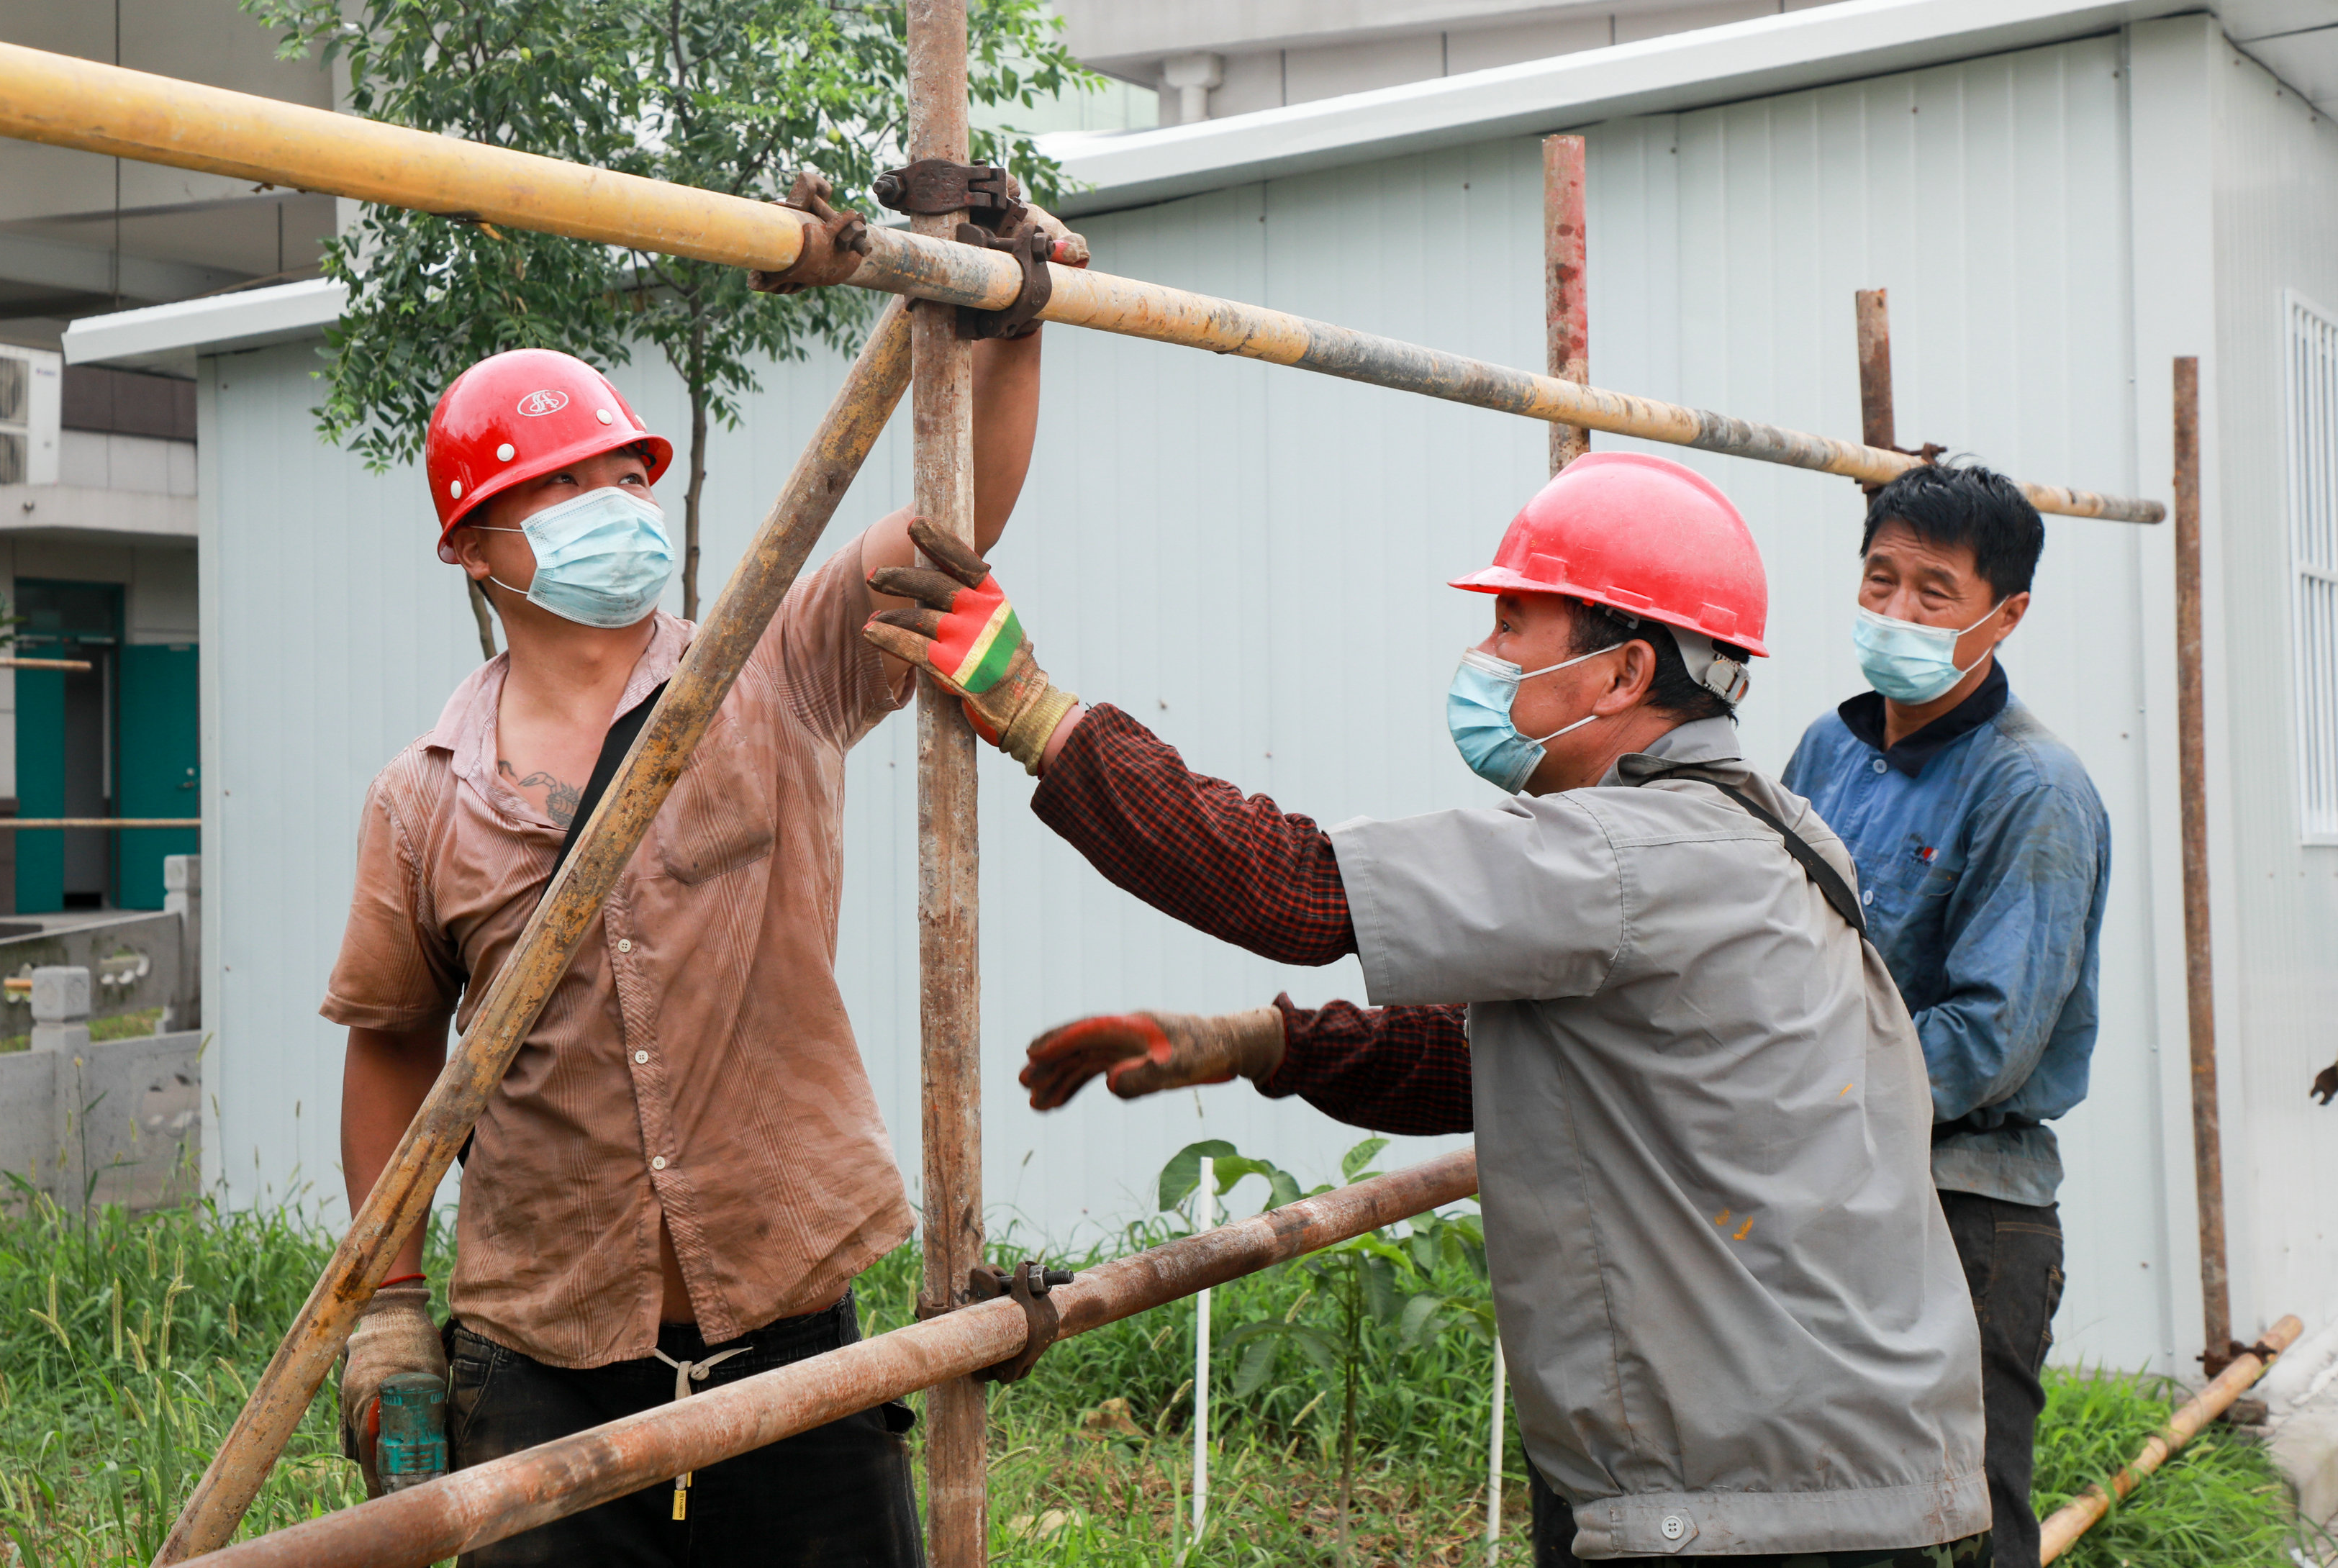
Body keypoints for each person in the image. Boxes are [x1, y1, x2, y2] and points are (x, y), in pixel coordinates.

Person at [868, 450, 1990, 1568]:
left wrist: (1034, 712)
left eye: (1513, 626)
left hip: (1759, 1502)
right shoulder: (1769, 825)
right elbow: (1508, 1063)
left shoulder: (1625, 851)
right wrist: (1262, 1045)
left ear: (1620, 671)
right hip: (1837, 1463)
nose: (1483, 659)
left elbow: (1300, 886)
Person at [320, 327, 1043, 1566]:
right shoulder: (424, 799)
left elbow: (946, 518)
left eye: (619, 474)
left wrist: (1010, 323)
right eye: (553, 485)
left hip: (795, 1333)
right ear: (471, 547)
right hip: (540, 1361)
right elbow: (393, 1052)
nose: (604, 503)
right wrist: (386, 1313)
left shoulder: (772, 666)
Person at [1783, 462, 2109, 1568]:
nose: (1896, 614)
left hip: (1962, 1210)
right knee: (1817, 1513)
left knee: (1962, 1523)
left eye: (1935, 593)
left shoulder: (2034, 788)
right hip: (1823, 1191)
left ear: (2005, 615)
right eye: (1880, 581)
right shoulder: (1828, 751)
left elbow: (1987, 1038)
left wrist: (1800, 1101)